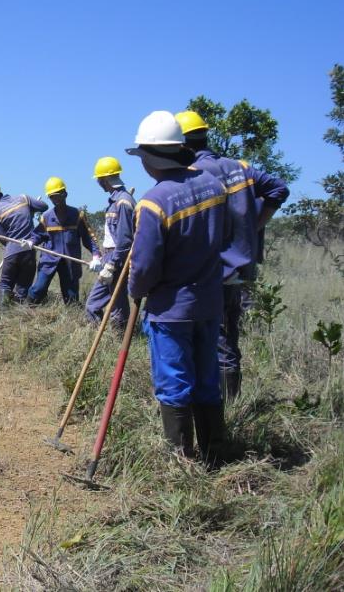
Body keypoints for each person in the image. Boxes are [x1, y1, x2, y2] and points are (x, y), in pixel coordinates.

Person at [126, 110, 228, 466]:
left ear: (152, 158)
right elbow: (225, 238)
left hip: (171, 309)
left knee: (174, 382)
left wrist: (136, 289)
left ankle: (181, 463)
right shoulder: (214, 187)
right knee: (206, 378)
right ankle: (216, 455)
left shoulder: (154, 202)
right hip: (210, 303)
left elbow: (144, 265)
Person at [176, 110, 290, 401]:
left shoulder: (194, 175)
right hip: (237, 272)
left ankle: (218, 411)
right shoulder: (240, 167)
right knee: (227, 342)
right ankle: (228, 406)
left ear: (182, 144)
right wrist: (254, 226)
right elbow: (279, 188)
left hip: (208, 272)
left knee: (199, 342)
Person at [28, 177, 101, 304]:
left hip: (70, 262)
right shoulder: (46, 217)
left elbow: (88, 238)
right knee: (38, 289)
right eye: (51, 197)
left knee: (71, 298)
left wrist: (96, 255)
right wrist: (31, 241)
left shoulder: (77, 215)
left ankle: (72, 319)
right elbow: (37, 235)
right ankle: (28, 310)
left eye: (57, 196)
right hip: (49, 260)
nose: (55, 200)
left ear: (65, 194)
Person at [84, 157, 135, 328]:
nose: (99, 183)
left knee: (113, 307)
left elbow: (125, 241)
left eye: (99, 179)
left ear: (105, 179)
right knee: (101, 305)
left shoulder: (123, 202)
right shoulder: (115, 200)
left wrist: (112, 264)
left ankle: (119, 340)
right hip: (110, 256)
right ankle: (109, 339)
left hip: (117, 258)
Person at [0, 180, 48, 305]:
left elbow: (3, 238)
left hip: (11, 253)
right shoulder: (23, 198)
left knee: (5, 284)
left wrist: (12, 246)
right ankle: (20, 313)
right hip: (29, 252)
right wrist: (31, 208)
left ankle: (3, 314)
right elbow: (44, 207)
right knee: (23, 286)